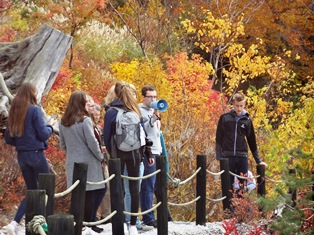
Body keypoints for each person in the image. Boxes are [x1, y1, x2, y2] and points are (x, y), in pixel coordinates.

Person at [4, 83, 57, 235]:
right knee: (47, 188)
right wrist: (51, 126)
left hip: (22, 156)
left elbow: (8, 138)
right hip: (36, 154)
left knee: (32, 190)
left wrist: (22, 144)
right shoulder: (34, 110)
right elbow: (43, 134)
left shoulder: (14, 111)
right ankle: (45, 224)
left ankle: (14, 223)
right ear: (32, 93)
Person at [103, 81, 152, 235]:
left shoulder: (111, 111)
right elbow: (143, 134)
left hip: (117, 154)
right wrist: (145, 152)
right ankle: (132, 224)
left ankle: (121, 223)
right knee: (133, 188)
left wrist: (112, 151)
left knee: (117, 189)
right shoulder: (135, 110)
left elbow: (106, 136)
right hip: (135, 154)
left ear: (116, 93)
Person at [59, 91, 106, 234]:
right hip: (89, 162)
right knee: (91, 193)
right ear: (80, 103)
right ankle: (88, 224)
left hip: (72, 161)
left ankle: (77, 224)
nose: (88, 105)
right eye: (86, 102)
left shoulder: (63, 121)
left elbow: (62, 145)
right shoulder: (84, 120)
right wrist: (101, 156)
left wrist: (73, 153)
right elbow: (92, 142)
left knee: (78, 194)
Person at [215, 92, 267, 194]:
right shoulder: (225, 118)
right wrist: (219, 156)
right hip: (227, 156)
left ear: (244, 105)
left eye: (241, 106)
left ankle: (239, 208)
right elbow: (218, 138)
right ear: (233, 104)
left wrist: (258, 160)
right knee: (227, 186)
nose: (239, 108)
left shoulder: (247, 120)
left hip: (242, 156)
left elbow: (252, 141)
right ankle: (229, 209)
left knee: (242, 186)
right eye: (237, 106)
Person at [139, 85, 163, 228]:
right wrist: (152, 119)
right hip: (148, 151)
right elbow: (144, 131)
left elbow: (156, 133)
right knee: (147, 186)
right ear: (143, 97)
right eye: (150, 97)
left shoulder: (154, 110)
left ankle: (159, 214)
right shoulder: (139, 110)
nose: (153, 99)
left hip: (157, 150)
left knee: (155, 185)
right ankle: (148, 217)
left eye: (155, 96)